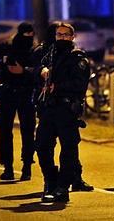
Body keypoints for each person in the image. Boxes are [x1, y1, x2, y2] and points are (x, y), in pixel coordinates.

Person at [32, 22, 94, 192]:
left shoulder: (78, 57)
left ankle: (63, 186)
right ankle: (51, 180)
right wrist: (42, 71)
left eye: (66, 35)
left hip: (67, 109)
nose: (62, 37)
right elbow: (36, 70)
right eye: (59, 34)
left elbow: (79, 83)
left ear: (73, 37)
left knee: (68, 150)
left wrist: (56, 86)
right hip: (48, 108)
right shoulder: (50, 54)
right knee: (42, 147)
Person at [0, 22, 36, 181]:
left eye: (29, 35)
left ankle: (27, 166)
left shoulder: (34, 51)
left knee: (27, 132)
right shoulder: (8, 47)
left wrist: (24, 71)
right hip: (7, 93)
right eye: (24, 34)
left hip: (26, 95)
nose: (27, 38)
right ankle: (8, 167)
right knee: (5, 132)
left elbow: (40, 70)